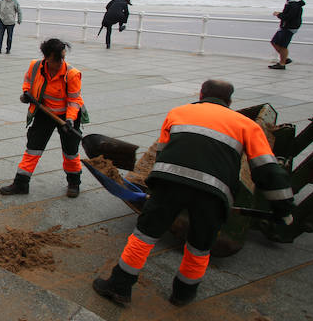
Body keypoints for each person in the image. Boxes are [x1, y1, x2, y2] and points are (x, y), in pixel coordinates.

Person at [92, 79, 294, 307]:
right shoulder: (247, 125)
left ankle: (119, 287)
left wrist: (157, 190)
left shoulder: (179, 112)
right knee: (200, 246)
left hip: (170, 184)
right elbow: (268, 171)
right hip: (214, 194)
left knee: (144, 236)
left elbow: (160, 154)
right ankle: (183, 294)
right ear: (229, 101)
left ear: (201, 94)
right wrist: (283, 210)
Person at [0, 38, 83, 198]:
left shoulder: (72, 74)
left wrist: (70, 120)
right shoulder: (36, 66)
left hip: (68, 116)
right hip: (45, 113)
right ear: (46, 57)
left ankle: (74, 183)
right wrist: (26, 94)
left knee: (70, 152)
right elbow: (28, 81)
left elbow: (74, 100)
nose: (59, 63)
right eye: (56, 59)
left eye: (62, 59)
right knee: (33, 148)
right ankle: (21, 184)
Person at [269, 0, 305, 69]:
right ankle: (284, 58)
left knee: (283, 45)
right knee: (274, 42)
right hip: (285, 26)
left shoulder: (295, 4)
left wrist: (279, 14)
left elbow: (288, 16)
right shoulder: (290, 2)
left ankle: (282, 63)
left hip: (290, 27)